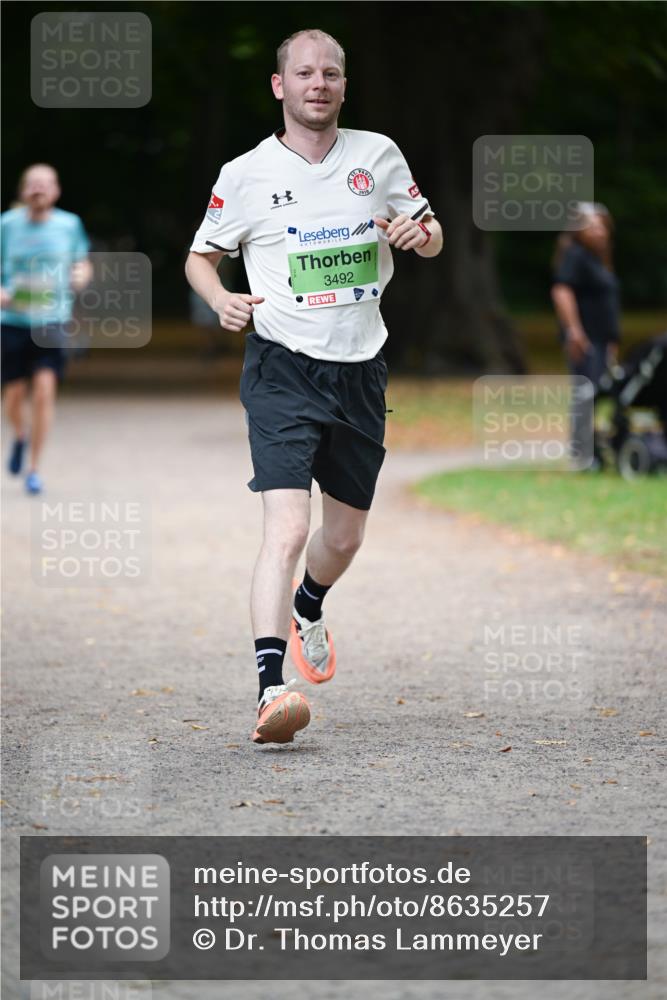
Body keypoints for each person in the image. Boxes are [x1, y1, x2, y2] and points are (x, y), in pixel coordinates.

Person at [185, 28, 443, 745]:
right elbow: (200, 258)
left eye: (330, 73)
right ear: (280, 86)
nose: (317, 84)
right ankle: (271, 688)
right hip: (280, 366)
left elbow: (432, 232)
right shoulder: (244, 174)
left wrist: (420, 238)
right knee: (288, 527)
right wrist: (220, 300)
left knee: (344, 537)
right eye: (304, 73)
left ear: (342, 86)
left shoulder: (377, 154)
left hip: (360, 367)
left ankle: (310, 603)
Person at [1, 164, 92, 493]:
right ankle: (20, 435)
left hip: (52, 320)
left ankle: (34, 468)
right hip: (12, 322)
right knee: (12, 396)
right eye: (32, 184)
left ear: (56, 191)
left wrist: (81, 275)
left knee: (43, 392)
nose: (38, 189)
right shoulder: (7, 225)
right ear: (23, 190)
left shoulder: (69, 225)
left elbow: (81, 261)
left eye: (45, 184)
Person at [551, 202, 620, 468]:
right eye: (592, 226)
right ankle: (581, 455)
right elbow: (561, 291)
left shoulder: (597, 260)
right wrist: (574, 331)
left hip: (601, 340)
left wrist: (611, 340)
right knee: (584, 394)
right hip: (585, 340)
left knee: (594, 393)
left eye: (602, 226)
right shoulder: (575, 255)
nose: (599, 231)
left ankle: (593, 448)